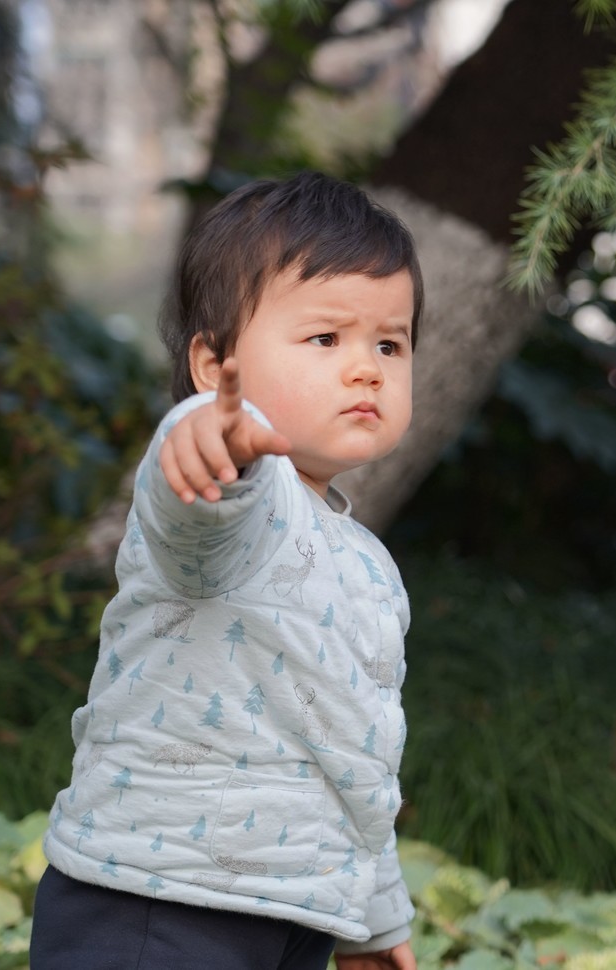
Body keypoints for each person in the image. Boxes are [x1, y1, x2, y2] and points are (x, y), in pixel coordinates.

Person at [30, 171, 423, 970]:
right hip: (156, 901)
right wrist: (208, 438)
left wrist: (374, 918)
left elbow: (353, 750)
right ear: (213, 364)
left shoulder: (370, 566)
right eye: (326, 338)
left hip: (291, 917)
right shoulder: (233, 498)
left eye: (390, 342)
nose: (367, 368)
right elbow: (199, 507)